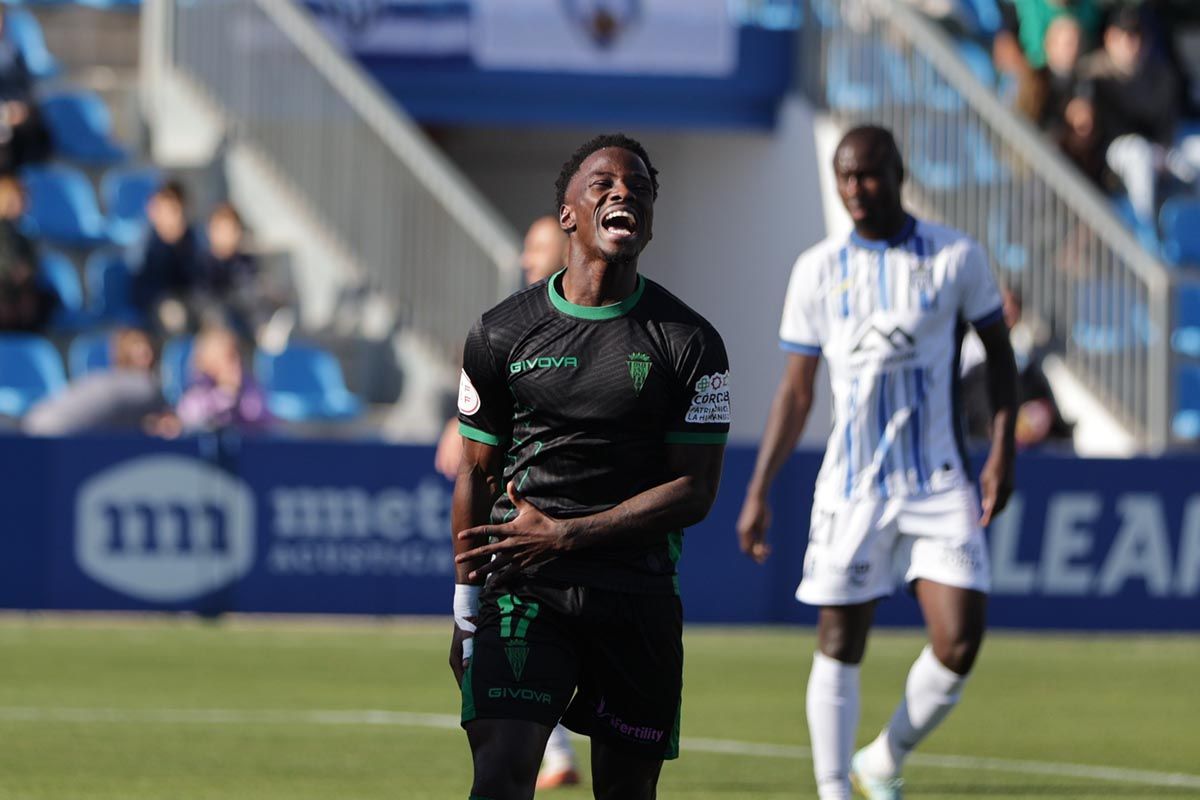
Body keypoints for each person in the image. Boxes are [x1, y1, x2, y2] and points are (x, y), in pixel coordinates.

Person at [736, 126, 1017, 800]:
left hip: (938, 477)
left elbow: (1001, 357)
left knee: (960, 640)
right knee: (840, 637)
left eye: (869, 174)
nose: (857, 189)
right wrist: (759, 489)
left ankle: (883, 758)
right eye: (845, 177)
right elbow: (796, 392)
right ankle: (835, 789)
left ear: (899, 173)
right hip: (853, 484)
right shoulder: (817, 269)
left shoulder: (955, 256)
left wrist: (1003, 450)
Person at [450, 133, 730, 800]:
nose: (623, 191)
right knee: (500, 773)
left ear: (650, 219)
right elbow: (478, 476)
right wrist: (465, 608)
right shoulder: (499, 333)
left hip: (637, 597)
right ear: (569, 214)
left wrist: (572, 533)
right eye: (603, 182)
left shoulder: (691, 342)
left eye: (639, 186)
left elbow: (695, 491)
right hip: (524, 587)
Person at [432, 213, 581, 789]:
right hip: (513, 529)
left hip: (574, 540)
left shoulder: (604, 330)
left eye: (536, 247)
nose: (526, 259)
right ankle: (557, 756)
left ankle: (557, 752)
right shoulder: (510, 324)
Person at [23, 328, 167, 436]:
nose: (146, 356)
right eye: (138, 351)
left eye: (148, 351)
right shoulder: (143, 387)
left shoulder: (143, 392)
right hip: (48, 433)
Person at [175, 324, 272, 434]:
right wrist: (227, 393)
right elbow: (193, 419)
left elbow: (264, 421)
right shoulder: (195, 396)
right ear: (209, 363)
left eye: (239, 354)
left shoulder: (251, 390)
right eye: (230, 357)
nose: (238, 362)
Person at [130, 181, 199, 333]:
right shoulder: (146, 239)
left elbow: (193, 277)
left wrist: (178, 244)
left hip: (185, 296)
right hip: (155, 300)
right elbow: (145, 281)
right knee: (175, 317)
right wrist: (167, 243)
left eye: (173, 210)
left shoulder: (189, 237)